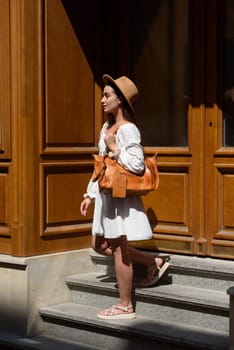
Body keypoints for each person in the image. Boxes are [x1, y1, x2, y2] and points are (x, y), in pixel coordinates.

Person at [80, 74, 169, 320]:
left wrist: (115, 147)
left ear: (120, 100)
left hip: (121, 197)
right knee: (99, 245)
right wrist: (89, 194)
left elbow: (138, 165)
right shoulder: (106, 128)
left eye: (107, 95)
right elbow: (101, 166)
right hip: (107, 194)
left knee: (119, 248)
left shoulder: (129, 129)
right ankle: (152, 261)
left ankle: (125, 304)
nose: (102, 100)